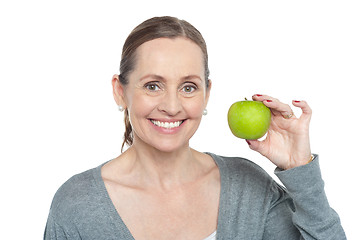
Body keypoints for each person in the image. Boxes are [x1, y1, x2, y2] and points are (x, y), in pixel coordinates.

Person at [44, 16, 346, 240]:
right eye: (153, 85)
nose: (172, 106)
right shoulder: (78, 205)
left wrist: (299, 169)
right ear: (120, 91)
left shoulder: (248, 188)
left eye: (188, 87)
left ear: (207, 93)